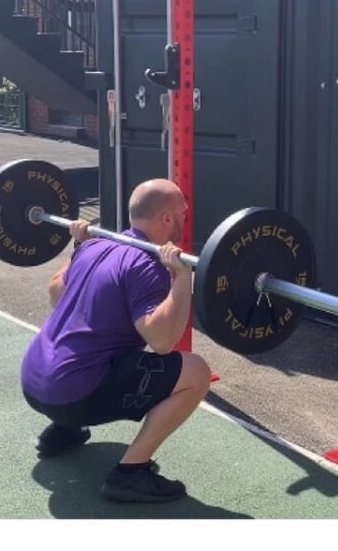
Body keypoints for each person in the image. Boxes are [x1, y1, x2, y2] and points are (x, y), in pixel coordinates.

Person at [19, 179, 211, 503]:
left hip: (32, 383)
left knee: (85, 338)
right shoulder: (146, 265)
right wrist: (182, 277)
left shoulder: (94, 246)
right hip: (72, 394)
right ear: (166, 219)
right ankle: (130, 474)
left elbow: (55, 293)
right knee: (196, 372)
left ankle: (63, 431)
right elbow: (162, 341)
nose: (185, 216)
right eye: (182, 211)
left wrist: (76, 246)